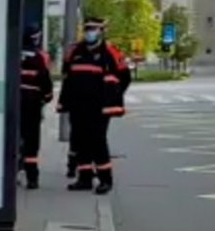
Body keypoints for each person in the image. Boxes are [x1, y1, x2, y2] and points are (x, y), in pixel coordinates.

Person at [58, 17, 131, 194]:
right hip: (78, 105)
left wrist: (112, 96)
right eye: (87, 29)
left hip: (99, 107)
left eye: (94, 29)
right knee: (80, 141)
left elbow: (124, 77)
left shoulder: (110, 53)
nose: (89, 32)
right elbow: (66, 75)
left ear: (101, 31)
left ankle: (105, 179)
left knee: (97, 141)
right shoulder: (75, 52)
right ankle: (84, 178)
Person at [18, 25, 54, 189]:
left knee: (13, 139)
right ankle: (32, 178)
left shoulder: (11, 53)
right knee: (32, 142)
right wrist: (46, 98)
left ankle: (13, 172)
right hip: (32, 104)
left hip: (14, 103)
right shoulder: (40, 57)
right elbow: (46, 82)